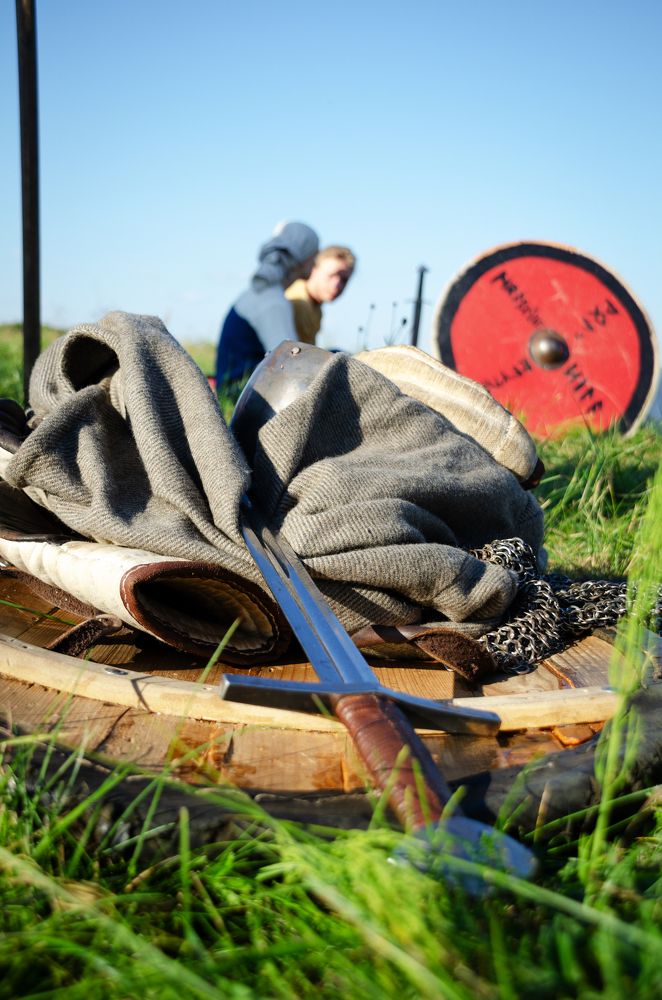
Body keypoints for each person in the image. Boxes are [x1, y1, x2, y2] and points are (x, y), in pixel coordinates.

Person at [215, 221, 319, 392]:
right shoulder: (272, 302)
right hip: (243, 397)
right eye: (314, 255)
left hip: (238, 391)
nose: (315, 262)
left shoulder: (262, 294)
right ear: (303, 258)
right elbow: (290, 366)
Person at [285, 246, 356, 345]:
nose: (337, 285)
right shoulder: (299, 303)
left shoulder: (314, 306)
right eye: (332, 275)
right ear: (313, 269)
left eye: (344, 280)